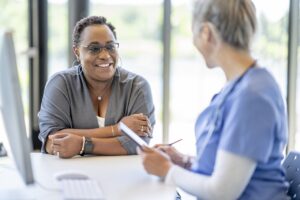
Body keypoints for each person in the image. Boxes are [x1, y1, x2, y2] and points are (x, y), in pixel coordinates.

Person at [138, 0, 289, 199]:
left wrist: (166, 170)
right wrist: (183, 161)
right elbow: (230, 168)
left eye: (194, 32)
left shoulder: (252, 97)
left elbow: (222, 192)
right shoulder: (242, 85)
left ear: (206, 33)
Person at [38, 16, 155, 159]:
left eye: (110, 47)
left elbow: (137, 143)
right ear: (77, 52)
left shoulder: (137, 87)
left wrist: (82, 145)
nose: (105, 55)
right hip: (71, 174)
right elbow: (53, 140)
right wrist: (117, 130)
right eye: (94, 49)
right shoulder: (60, 84)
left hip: (123, 174)